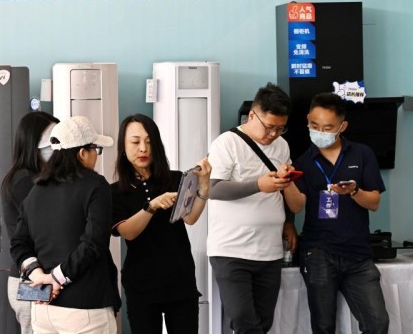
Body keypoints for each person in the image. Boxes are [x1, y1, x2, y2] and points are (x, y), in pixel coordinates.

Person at [207, 82, 306, 333]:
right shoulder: (226, 143)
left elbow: (287, 194)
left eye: (280, 128)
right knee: (243, 319)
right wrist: (258, 185)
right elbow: (213, 189)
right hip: (231, 250)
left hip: (270, 251)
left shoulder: (282, 146)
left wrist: (288, 220)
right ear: (252, 115)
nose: (273, 134)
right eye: (269, 127)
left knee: (263, 322)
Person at [10, 115, 121, 334]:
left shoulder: (37, 190)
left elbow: (18, 243)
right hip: (85, 307)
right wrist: (56, 278)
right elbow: (94, 243)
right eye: (96, 149)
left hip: (43, 308)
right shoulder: (95, 185)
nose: (96, 156)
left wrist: (39, 276)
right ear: (82, 153)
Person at [294, 92, 389, 334]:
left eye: (327, 128)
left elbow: (374, 202)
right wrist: (285, 184)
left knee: (377, 323)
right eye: (314, 125)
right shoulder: (302, 162)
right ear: (307, 119)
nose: (320, 132)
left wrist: (354, 191)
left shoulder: (362, 154)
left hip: (358, 254)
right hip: (318, 252)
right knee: (323, 326)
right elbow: (296, 206)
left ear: (342, 126)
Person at [110, 113, 211, 334]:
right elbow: (128, 232)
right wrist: (151, 206)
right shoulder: (116, 191)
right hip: (141, 285)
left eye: (149, 142)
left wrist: (204, 187)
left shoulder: (175, 179)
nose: (143, 148)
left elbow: (190, 218)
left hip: (180, 279)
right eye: (135, 142)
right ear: (123, 147)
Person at [1, 111, 59, 334]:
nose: (56, 147)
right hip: (31, 279)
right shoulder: (25, 181)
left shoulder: (37, 178)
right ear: (33, 142)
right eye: (50, 140)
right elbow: (46, 226)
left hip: (36, 277)